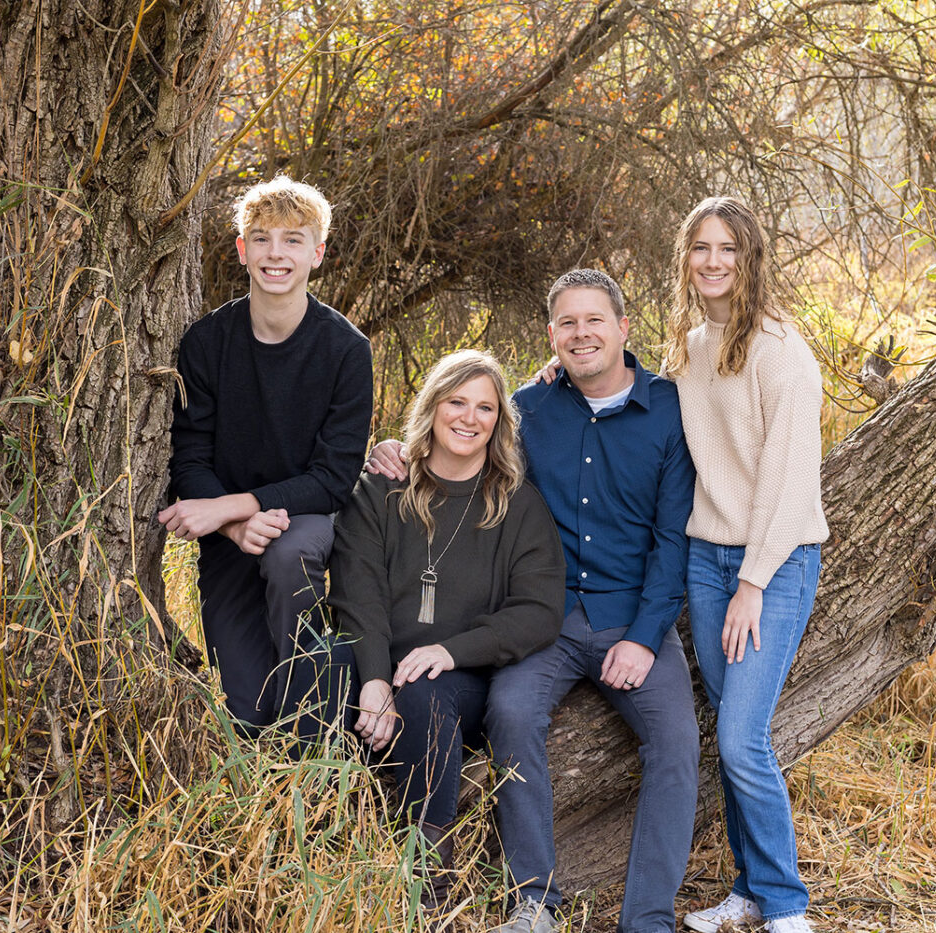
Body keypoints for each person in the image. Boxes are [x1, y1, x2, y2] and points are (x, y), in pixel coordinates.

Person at [368, 270, 700, 933]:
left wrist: (644, 636)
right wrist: (399, 449)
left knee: (677, 741)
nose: (582, 334)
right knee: (511, 711)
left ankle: (648, 919)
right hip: (544, 617)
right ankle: (535, 904)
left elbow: (674, 540)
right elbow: (464, 438)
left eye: (595, 320)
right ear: (552, 335)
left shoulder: (670, 408)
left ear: (623, 328)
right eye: (568, 323)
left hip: (634, 615)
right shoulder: (529, 406)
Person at [329, 349, 565, 911]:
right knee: (319, 669)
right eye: (457, 402)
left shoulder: (516, 504)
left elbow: (538, 611)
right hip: (378, 664)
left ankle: (426, 882)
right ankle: (312, 845)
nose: (469, 418)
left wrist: (450, 651)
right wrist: (375, 678)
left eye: (485, 407)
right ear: (433, 406)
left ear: (499, 421)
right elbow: (358, 593)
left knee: (425, 690)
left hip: (462, 679)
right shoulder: (381, 490)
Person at [161, 175, 373, 739]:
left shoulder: (346, 350)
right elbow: (189, 457)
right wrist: (233, 526)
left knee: (287, 556)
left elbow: (333, 479)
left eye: (292, 240)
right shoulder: (207, 342)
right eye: (261, 238)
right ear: (242, 250)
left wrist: (235, 506)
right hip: (227, 539)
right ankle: (273, 751)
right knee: (248, 714)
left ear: (317, 254)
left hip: (306, 520)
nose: (275, 253)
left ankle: (318, 741)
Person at [668, 197, 828, 933]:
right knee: (728, 729)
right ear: (685, 258)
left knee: (741, 737)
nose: (713, 261)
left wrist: (753, 582)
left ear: (750, 257)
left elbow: (789, 481)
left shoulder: (780, 350)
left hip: (776, 560)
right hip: (707, 557)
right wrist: (561, 371)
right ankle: (750, 890)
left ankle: (787, 906)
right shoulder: (691, 344)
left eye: (727, 248)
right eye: (701, 247)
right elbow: (647, 398)